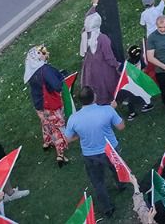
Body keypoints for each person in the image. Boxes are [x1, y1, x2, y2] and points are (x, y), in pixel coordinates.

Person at [62, 85, 126, 218]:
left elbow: (67, 139)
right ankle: (121, 185)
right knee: (116, 169)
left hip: (90, 155)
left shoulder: (74, 119)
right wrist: (113, 111)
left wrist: (80, 135)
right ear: (94, 97)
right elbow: (121, 126)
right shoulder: (107, 110)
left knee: (98, 182)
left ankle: (107, 208)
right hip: (110, 150)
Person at [24, 45, 69, 166]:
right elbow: (57, 85)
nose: (46, 54)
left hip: (39, 104)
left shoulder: (31, 71)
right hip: (51, 104)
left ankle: (47, 142)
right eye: (43, 53)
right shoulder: (45, 70)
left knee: (45, 123)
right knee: (57, 127)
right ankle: (60, 154)